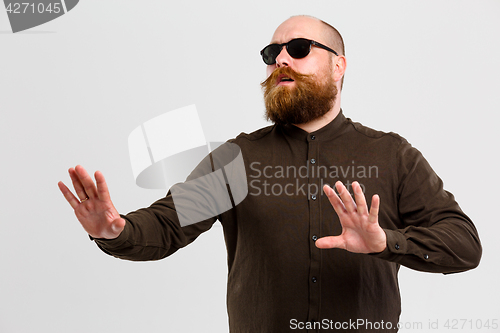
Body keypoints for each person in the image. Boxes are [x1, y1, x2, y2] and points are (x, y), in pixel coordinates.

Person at [58, 15, 482, 333]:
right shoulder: (238, 158)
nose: (280, 58)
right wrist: (115, 229)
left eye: (299, 48)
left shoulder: (392, 155)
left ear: (340, 66)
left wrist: (385, 242)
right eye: (271, 53)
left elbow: (464, 244)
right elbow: (169, 224)